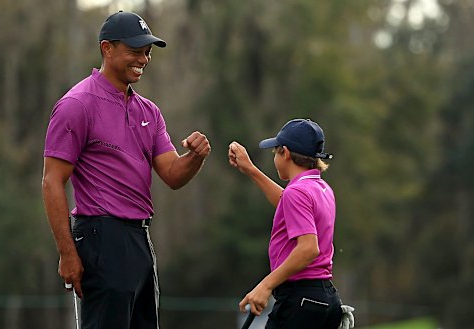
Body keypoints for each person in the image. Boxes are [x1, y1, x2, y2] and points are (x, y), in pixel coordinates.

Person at [42, 11, 211, 329]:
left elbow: (172, 174)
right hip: (101, 238)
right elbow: (52, 182)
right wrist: (67, 254)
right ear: (107, 48)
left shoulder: (150, 111)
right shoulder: (77, 104)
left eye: (147, 51)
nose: (144, 59)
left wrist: (195, 156)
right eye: (135, 50)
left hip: (140, 240)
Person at [229, 118, 353, 329]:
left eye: (275, 152)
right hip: (326, 299)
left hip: (300, 300)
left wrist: (265, 286)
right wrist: (251, 169)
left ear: (285, 153)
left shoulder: (297, 192)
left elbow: (308, 249)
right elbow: (287, 203)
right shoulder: (321, 188)